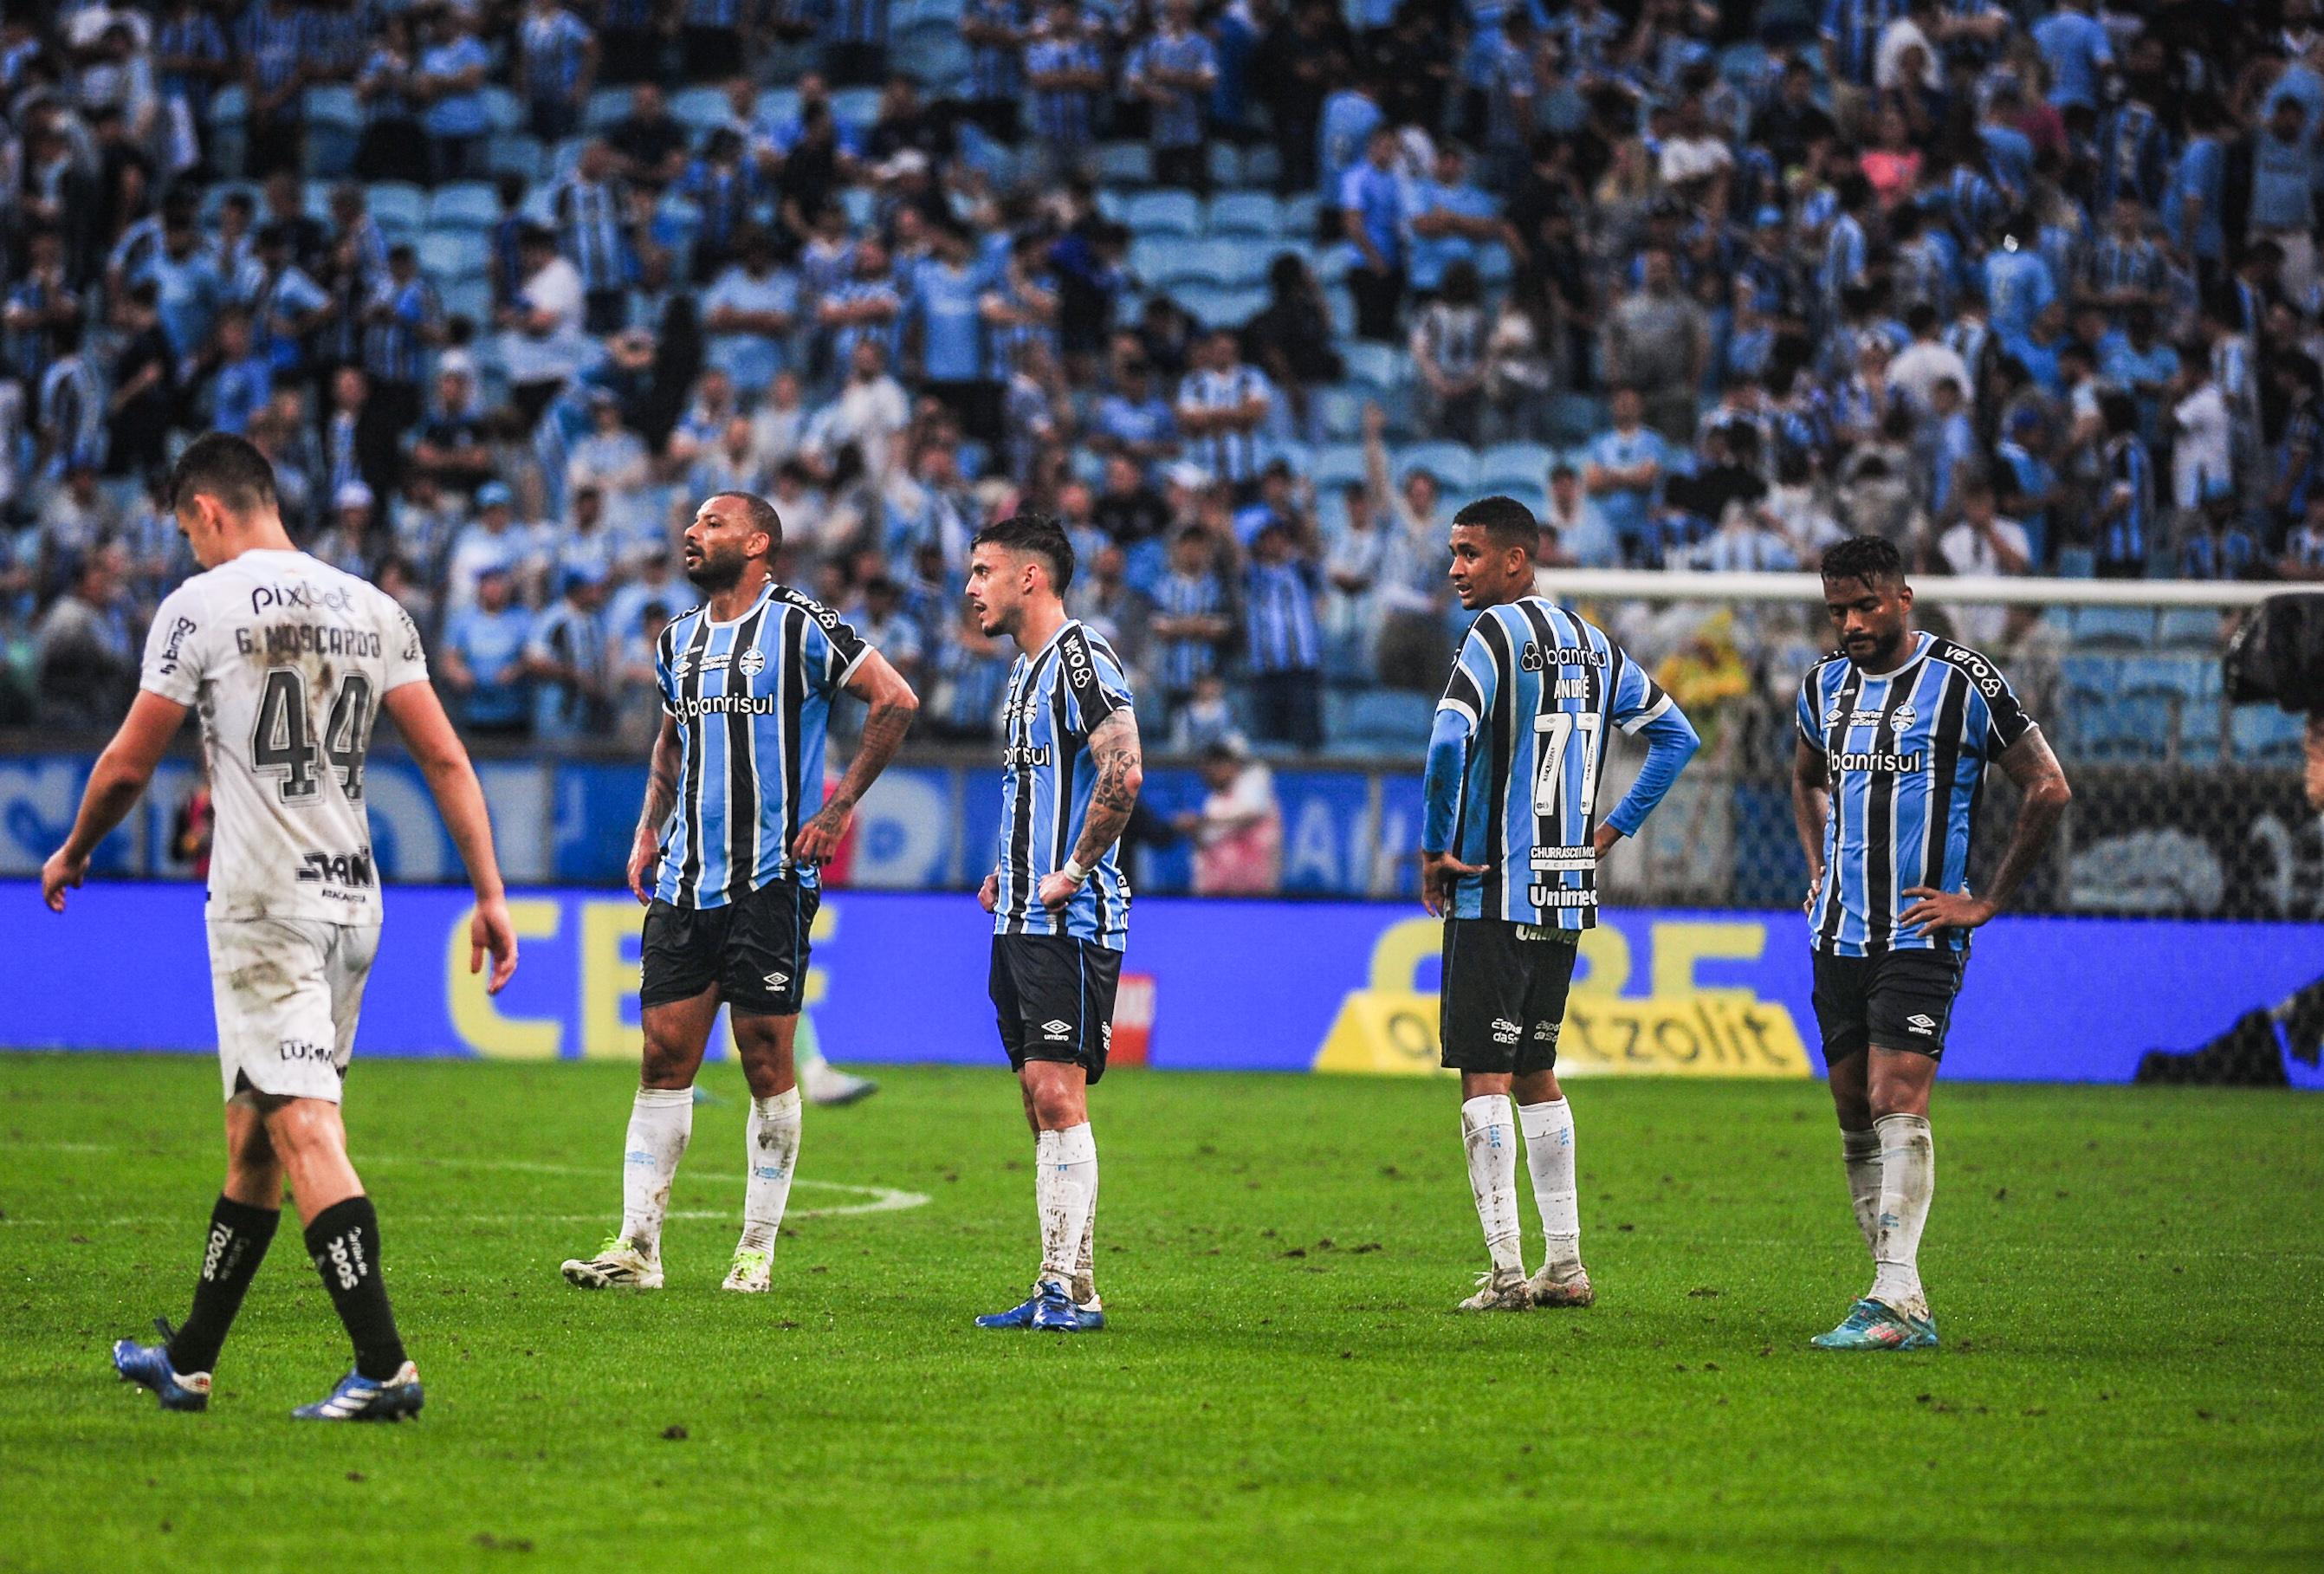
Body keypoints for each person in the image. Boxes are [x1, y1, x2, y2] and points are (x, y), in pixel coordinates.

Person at [61, 433, 518, 1420]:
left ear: (212, 510)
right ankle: (188, 1359)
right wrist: (489, 892)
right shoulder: (375, 606)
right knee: (256, 1138)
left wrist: (74, 848)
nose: (190, 549)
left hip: (267, 907)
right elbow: (444, 759)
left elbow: (132, 763)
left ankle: (384, 1364)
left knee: (303, 1124)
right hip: (355, 899)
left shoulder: (200, 606)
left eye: (188, 529)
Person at [560, 493, 918, 1297]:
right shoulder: (676, 639)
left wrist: (836, 807)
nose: (692, 532)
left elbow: (896, 699)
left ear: (758, 542)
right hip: (687, 877)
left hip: (771, 877)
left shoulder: (801, 624)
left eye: (712, 523)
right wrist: (648, 828)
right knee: (662, 1057)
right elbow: (669, 739)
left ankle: (754, 1250)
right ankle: (637, 1248)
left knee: (764, 1059)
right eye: (692, 523)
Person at [1420, 494, 1701, 1314]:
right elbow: (1676, 737)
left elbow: (1446, 740)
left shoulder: (1492, 636)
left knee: (1485, 1076)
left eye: (1469, 553)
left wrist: (1435, 848)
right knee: (1538, 1072)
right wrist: (1610, 831)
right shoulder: (1593, 642)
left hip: (1493, 889)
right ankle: (1566, 1266)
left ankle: (1508, 1272)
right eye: (1453, 553)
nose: (1455, 568)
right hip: (1566, 889)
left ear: (1516, 560)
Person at [1790, 535, 2072, 1351]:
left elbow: (2047, 786)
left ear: (1903, 596)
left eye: (1865, 604)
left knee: (1894, 1096)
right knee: (1852, 1107)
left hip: (1919, 929)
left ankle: (1893, 1299)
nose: (1850, 622)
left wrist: (1986, 899)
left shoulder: (1963, 680)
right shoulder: (1821, 688)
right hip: (1836, 929)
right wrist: (1815, 865)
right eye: (1837, 608)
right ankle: (1894, 1289)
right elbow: (1805, 777)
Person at [965, 514, 1144, 1334]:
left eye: (982, 572)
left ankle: (1066, 1294)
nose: (971, 589)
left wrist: (1071, 869)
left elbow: (1124, 767)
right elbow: (1043, 787)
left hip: (1069, 917)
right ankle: (1067, 1283)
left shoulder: (1079, 657)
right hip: (1020, 914)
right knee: (1037, 1100)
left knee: (1055, 1089)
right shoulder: (1025, 672)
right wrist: (1010, 865)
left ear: (1028, 577)